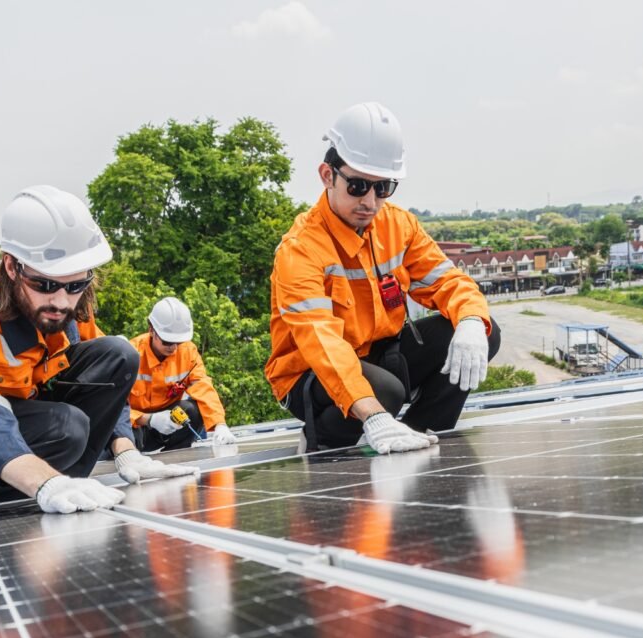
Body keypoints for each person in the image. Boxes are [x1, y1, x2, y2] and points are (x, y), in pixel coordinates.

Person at [0, 185, 197, 515]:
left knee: (118, 354)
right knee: (65, 430)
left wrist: (126, 450)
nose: (60, 301)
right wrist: (44, 483)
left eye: (74, 285)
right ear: (12, 266)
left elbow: (107, 377)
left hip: (12, 406)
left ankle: (69, 483)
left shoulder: (68, 306)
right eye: (44, 284)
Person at [265, 102, 500, 454]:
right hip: (310, 372)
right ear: (327, 175)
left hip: (379, 354)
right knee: (385, 391)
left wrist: (469, 319)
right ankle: (328, 445)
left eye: (383, 188)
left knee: (485, 331)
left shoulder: (398, 225)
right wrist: (373, 415)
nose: (371, 202)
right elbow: (321, 342)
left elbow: (449, 283)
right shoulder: (300, 249)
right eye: (358, 186)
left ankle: (417, 435)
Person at [128, 297, 237, 451]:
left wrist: (220, 424)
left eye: (178, 342)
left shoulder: (188, 352)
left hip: (170, 426)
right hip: (136, 428)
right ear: (151, 330)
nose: (173, 348)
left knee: (193, 410)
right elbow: (114, 408)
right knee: (120, 433)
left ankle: (176, 454)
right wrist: (147, 419)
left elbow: (203, 387)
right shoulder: (130, 355)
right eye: (167, 342)